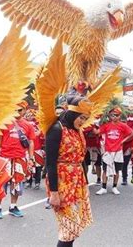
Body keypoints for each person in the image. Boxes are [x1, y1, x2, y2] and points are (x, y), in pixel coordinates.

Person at [46, 97, 93, 247]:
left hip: (78, 183)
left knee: (73, 228)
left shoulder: (78, 130)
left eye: (86, 118)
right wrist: (54, 193)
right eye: (81, 118)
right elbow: (50, 163)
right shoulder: (56, 129)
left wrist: (86, 184)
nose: (83, 121)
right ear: (73, 114)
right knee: (69, 229)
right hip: (62, 183)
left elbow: (82, 160)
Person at [0, 101, 35, 218]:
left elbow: (31, 142)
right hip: (4, 157)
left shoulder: (28, 125)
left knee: (17, 183)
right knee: (2, 182)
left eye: (20, 110)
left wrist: (31, 158)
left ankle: (13, 206)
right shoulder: (4, 122)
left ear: (25, 111)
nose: (17, 112)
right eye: (15, 109)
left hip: (20, 158)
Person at [96, 107, 133, 195]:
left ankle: (114, 187)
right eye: (112, 115)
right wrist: (92, 124)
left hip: (118, 151)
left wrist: (123, 141)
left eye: (116, 115)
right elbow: (97, 132)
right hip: (108, 151)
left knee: (116, 170)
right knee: (105, 170)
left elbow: (132, 133)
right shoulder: (106, 125)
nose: (114, 117)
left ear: (119, 116)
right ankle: (103, 187)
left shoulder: (123, 125)